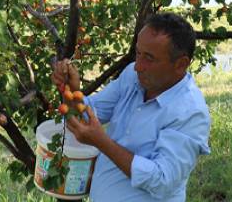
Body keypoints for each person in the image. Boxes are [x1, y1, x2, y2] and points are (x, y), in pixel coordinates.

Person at [51, 12, 211, 201]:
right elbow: (87, 115)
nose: (138, 66)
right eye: (138, 53)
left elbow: (163, 182)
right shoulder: (132, 77)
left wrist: (102, 142)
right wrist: (72, 89)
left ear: (181, 64)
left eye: (149, 58)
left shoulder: (191, 113)